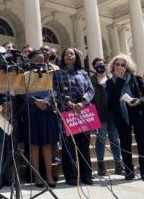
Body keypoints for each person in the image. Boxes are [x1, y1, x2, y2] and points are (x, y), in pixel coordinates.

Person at [53, 47, 94, 186]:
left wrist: (82, 103)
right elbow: (56, 91)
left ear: (76, 57)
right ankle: (71, 176)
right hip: (67, 112)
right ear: (63, 58)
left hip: (83, 112)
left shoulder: (83, 73)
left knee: (83, 145)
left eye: (71, 54)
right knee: (69, 146)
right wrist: (69, 103)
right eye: (66, 54)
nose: (69, 56)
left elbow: (90, 90)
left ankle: (86, 175)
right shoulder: (58, 73)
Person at [106, 54, 144, 181]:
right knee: (125, 144)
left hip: (138, 113)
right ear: (113, 66)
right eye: (117, 64)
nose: (119, 67)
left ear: (128, 66)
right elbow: (111, 102)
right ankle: (129, 171)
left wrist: (139, 101)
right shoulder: (110, 82)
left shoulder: (136, 78)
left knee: (142, 142)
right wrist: (119, 80)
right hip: (121, 116)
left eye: (123, 65)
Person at [24, 50, 59, 188]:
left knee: (47, 144)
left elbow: (55, 90)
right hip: (32, 113)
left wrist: (47, 101)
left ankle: (49, 175)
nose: (39, 63)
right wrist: (35, 101)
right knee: (34, 145)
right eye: (36, 60)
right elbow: (21, 92)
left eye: (41, 60)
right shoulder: (25, 75)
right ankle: (37, 176)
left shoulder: (50, 74)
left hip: (47, 112)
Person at [90, 58, 123, 176]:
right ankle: (101, 166)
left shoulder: (111, 79)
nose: (101, 66)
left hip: (113, 114)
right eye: (98, 65)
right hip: (99, 114)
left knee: (115, 139)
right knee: (101, 140)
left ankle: (118, 165)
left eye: (102, 64)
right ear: (94, 67)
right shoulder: (91, 80)